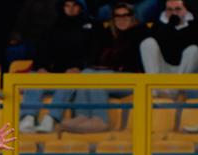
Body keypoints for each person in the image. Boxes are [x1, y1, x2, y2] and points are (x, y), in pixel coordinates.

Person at [60, 1, 148, 133]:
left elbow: (133, 61)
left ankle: (101, 120)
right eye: (118, 16)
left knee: (98, 78)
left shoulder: (141, 32)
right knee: (86, 73)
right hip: (108, 75)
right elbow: (96, 57)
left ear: (132, 17)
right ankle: (82, 116)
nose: (122, 19)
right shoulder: (107, 34)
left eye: (126, 16)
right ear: (113, 18)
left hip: (134, 78)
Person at [18, 0, 98, 134]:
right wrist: (42, 68)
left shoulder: (91, 28)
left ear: (80, 7)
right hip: (52, 75)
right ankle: (28, 117)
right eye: (67, 5)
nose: (71, 9)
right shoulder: (53, 27)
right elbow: (42, 51)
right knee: (34, 77)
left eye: (74, 6)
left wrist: (80, 68)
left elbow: (93, 54)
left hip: (75, 76)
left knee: (69, 79)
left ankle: (51, 118)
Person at [139, 0, 198, 77]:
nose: (174, 13)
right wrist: (169, 27)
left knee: (194, 50)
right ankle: (153, 85)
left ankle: (179, 88)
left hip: (186, 71)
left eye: (178, 9)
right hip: (162, 70)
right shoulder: (156, 25)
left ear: (185, 10)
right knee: (148, 43)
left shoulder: (196, 25)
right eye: (169, 10)